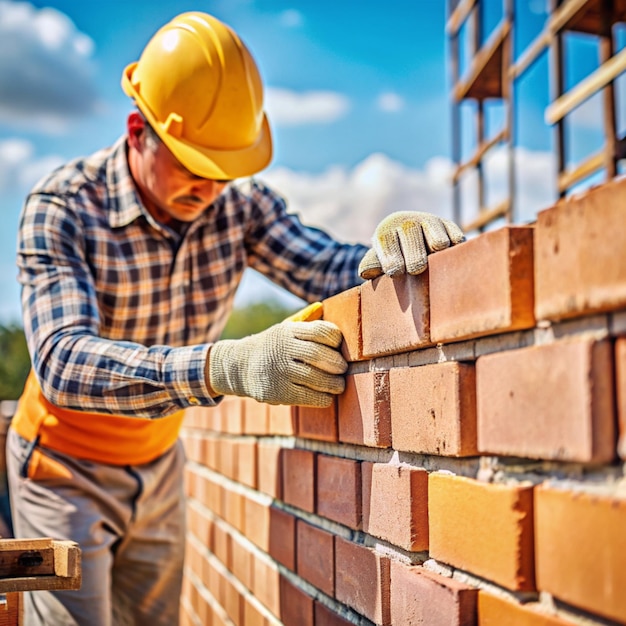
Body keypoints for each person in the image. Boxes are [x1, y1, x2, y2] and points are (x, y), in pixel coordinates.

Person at [7, 11, 464, 626]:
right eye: (194, 165)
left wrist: (380, 252)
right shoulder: (63, 208)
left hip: (160, 463)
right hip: (62, 468)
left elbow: (324, 265)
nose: (211, 188)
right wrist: (228, 364)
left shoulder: (235, 206)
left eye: (224, 172)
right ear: (138, 129)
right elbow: (64, 361)